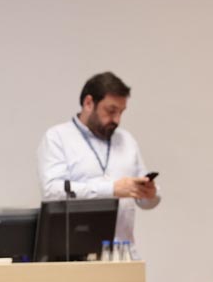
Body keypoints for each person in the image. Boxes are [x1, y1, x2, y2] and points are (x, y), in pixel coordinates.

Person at [37, 71, 160, 250]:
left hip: (123, 252)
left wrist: (150, 194)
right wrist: (111, 189)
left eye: (121, 112)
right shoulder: (57, 138)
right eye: (111, 111)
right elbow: (52, 191)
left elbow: (147, 202)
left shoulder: (127, 140)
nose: (117, 119)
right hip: (74, 253)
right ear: (88, 103)